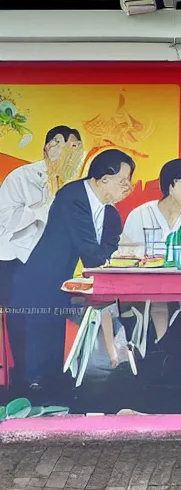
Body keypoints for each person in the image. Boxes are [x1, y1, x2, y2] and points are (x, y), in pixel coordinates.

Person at [7, 148, 134, 392]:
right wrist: (110, 259)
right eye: (123, 181)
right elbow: (91, 250)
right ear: (103, 179)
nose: (127, 187)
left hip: (61, 279)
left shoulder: (109, 212)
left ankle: (54, 387)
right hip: (38, 276)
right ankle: (35, 393)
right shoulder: (73, 196)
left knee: (53, 335)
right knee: (37, 340)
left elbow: (109, 244)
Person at [119, 158, 181, 351]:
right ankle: (165, 347)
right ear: (171, 186)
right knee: (158, 302)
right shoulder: (141, 214)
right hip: (145, 282)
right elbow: (125, 255)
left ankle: (170, 345)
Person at [0, 126, 83, 306]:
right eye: (71, 147)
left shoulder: (74, 183)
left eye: (78, 149)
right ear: (50, 146)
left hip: (56, 264)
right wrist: (44, 205)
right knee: (21, 319)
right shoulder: (22, 177)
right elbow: (5, 219)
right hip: (18, 261)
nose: (74, 155)